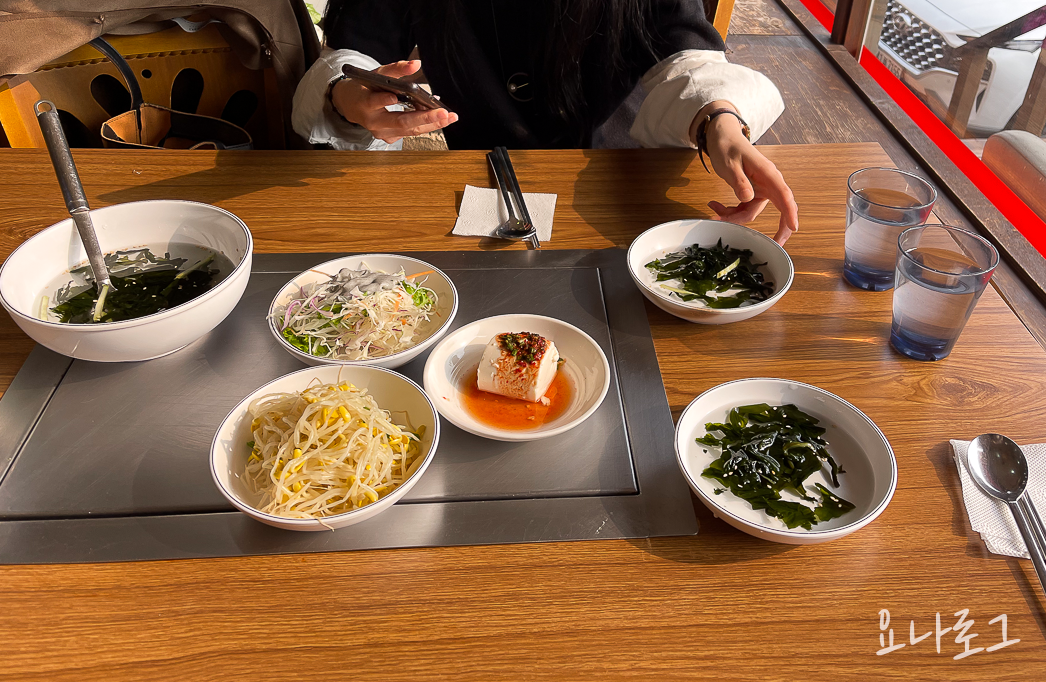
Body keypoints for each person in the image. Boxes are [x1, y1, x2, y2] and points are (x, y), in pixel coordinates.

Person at [292, 0, 799, 244]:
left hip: (622, 183)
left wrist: (720, 120)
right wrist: (348, 98)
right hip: (484, 185)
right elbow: (353, 54)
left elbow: (682, 51)